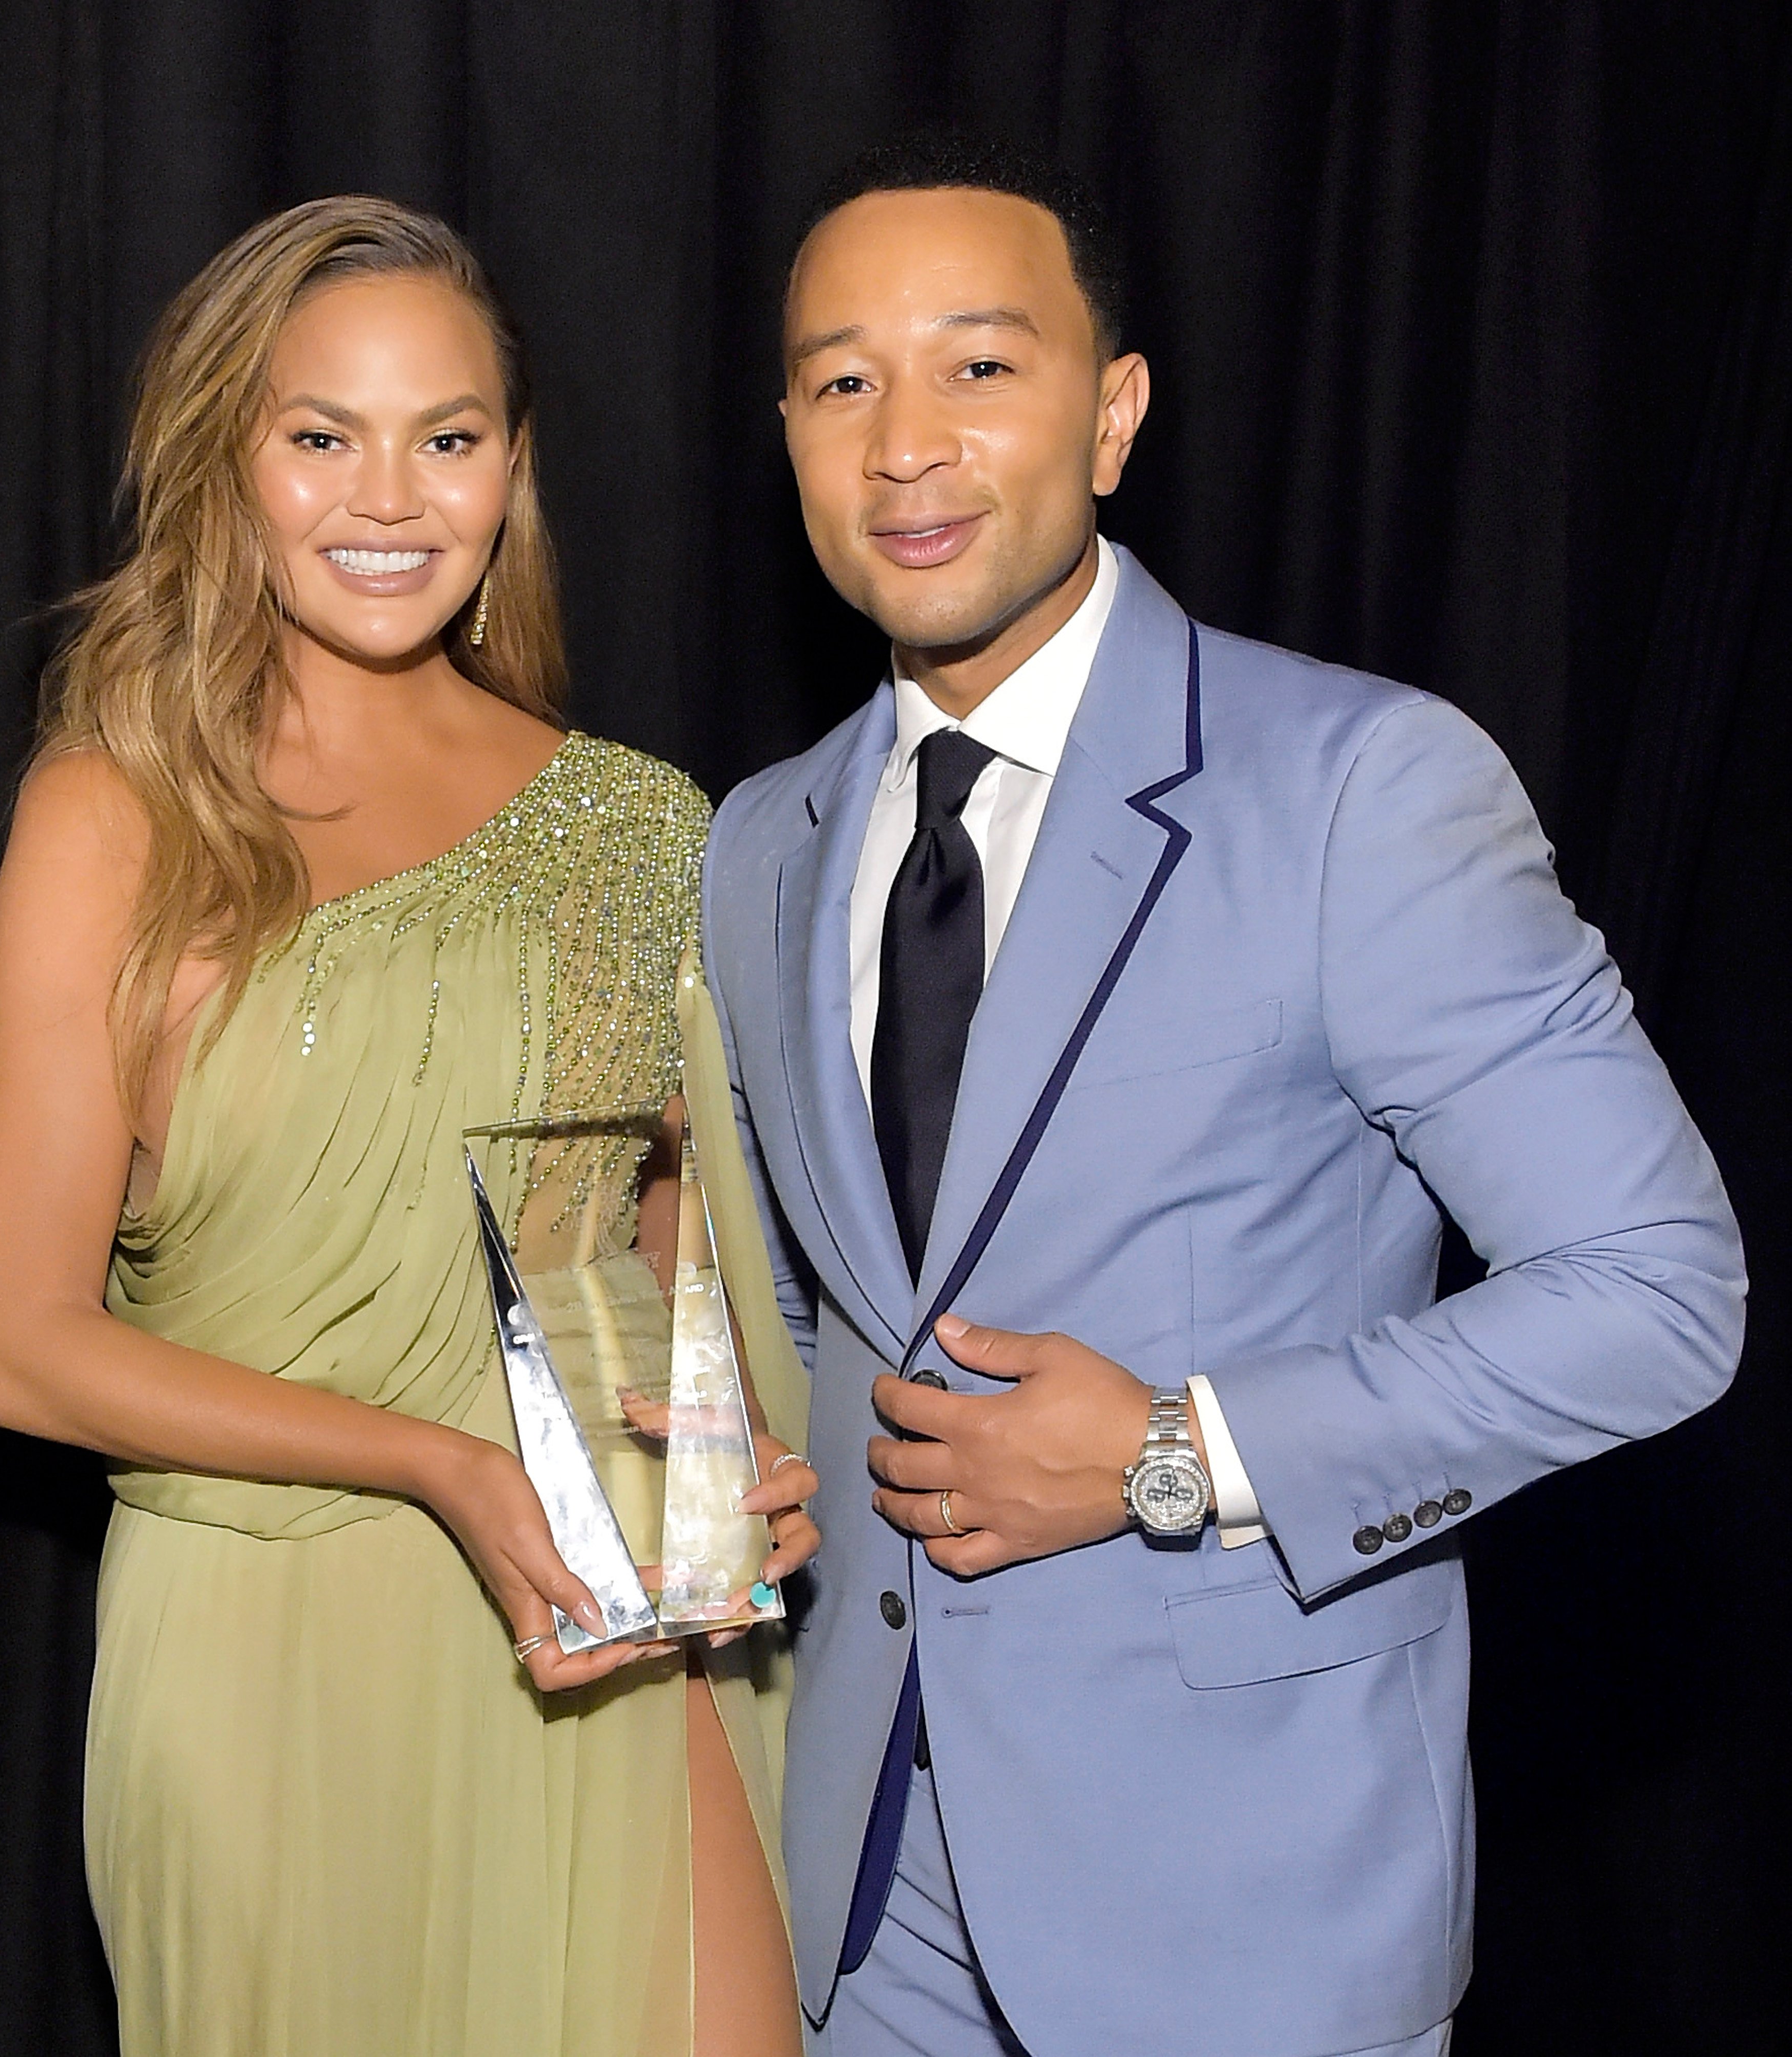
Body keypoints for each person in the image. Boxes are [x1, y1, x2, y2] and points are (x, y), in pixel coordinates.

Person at [701, 133, 1745, 2057]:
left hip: (1244, 1907)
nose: (904, 441)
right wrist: (721, 1462)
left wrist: (1179, 1453)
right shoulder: (762, 843)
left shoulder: (1359, 786)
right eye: (844, 380)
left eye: (979, 366)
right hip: (856, 1897)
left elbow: (1661, 1291)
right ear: (788, 437)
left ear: (1112, 418)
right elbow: (819, 1300)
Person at [0, 195, 816, 2057]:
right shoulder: (117, 813)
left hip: (595, 1635)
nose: (390, 495)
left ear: (513, 467)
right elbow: (12, 1353)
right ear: (225, 463)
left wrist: (729, 1448)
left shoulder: (638, 823)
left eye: (449, 435)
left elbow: (656, 1275)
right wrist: (433, 1461)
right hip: (266, 1656)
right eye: (320, 434)